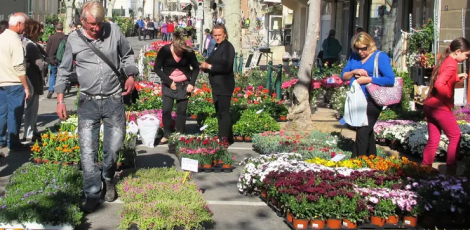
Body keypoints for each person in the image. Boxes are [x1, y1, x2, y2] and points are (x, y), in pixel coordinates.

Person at [54, 1, 138, 212]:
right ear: (82, 21)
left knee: (113, 148)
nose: (96, 28)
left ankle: (108, 177)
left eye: (99, 23)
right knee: (87, 151)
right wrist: (60, 100)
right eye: (92, 24)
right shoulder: (73, 38)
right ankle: (92, 191)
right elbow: (63, 71)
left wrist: (130, 75)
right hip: (88, 102)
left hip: (113, 100)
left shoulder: (114, 31)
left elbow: (127, 55)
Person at [341, 32, 395, 157]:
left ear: (370, 45)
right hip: (357, 99)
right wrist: (354, 71)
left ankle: (357, 161)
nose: (360, 52)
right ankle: (372, 158)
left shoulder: (379, 57)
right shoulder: (354, 56)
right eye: (357, 48)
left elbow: (390, 79)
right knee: (367, 131)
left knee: (362, 131)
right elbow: (343, 76)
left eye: (363, 48)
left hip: (372, 99)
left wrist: (369, 79)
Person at [422, 37, 470, 175]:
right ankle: (451, 172)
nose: (466, 58)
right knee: (455, 136)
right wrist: (448, 97)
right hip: (440, 107)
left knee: (433, 139)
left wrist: (456, 78)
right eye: (466, 55)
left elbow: (441, 77)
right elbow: (439, 84)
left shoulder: (444, 59)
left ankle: (424, 169)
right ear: (458, 51)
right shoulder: (452, 64)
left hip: (430, 105)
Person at [154, 31, 199, 143]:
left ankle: (180, 134)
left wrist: (191, 83)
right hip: (169, 84)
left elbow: (196, 68)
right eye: (178, 51)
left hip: (184, 85)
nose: (180, 54)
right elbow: (157, 68)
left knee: (181, 111)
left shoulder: (188, 52)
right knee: (166, 110)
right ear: (173, 44)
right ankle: (167, 133)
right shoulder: (165, 51)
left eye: (181, 51)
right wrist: (169, 81)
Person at [200, 24, 235, 144]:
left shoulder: (228, 47)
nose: (217, 37)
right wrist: (203, 66)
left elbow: (226, 66)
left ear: (225, 34)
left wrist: (209, 66)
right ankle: (228, 136)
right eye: (215, 35)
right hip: (216, 85)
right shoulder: (216, 46)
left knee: (223, 112)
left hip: (225, 84)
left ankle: (223, 138)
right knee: (219, 112)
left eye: (219, 35)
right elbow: (209, 61)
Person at [0, 13, 30, 151]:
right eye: (24, 25)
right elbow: (19, 66)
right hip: (14, 82)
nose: (25, 28)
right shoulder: (15, 41)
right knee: (15, 113)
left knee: (2, 113)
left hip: (2, 82)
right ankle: (13, 142)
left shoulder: (1, 37)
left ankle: (1, 139)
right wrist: (26, 86)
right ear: (18, 24)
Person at [22, 19, 46, 142]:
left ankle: (32, 130)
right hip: (32, 78)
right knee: (31, 108)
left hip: (29, 77)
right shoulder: (30, 45)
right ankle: (29, 133)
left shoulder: (28, 42)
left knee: (31, 108)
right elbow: (38, 62)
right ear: (33, 31)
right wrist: (45, 64)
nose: (40, 33)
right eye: (38, 30)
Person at [45, 23, 66, 99]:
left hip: (52, 60)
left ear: (55, 29)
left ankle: (51, 90)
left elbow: (47, 50)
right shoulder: (65, 37)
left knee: (52, 75)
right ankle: (60, 91)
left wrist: (47, 59)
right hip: (63, 59)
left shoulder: (51, 38)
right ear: (62, 29)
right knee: (62, 76)